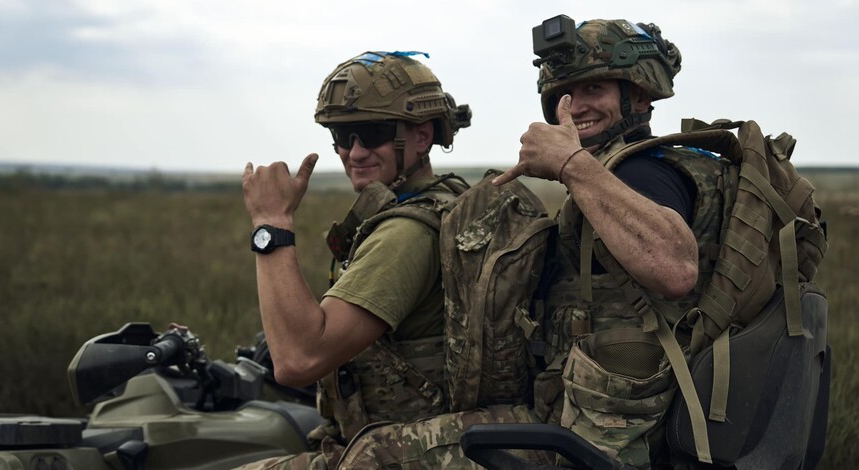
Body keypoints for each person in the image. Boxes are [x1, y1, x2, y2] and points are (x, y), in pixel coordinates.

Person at [332, 17, 730, 469]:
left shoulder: (639, 171)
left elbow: (676, 269)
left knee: (374, 456)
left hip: (610, 429)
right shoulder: (634, 170)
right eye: (565, 94)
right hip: (605, 408)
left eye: (594, 89)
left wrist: (570, 163)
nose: (577, 106)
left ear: (639, 94)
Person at [237, 50, 471, 469]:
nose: (355, 153)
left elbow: (298, 360)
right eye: (344, 137)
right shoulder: (450, 197)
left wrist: (271, 221)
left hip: (400, 449)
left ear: (422, 136)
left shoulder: (407, 233)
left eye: (373, 133)